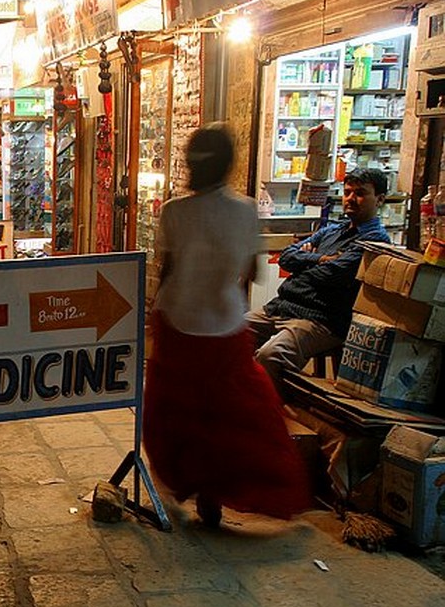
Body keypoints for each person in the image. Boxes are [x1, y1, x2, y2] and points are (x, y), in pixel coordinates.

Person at [143, 123, 310, 527]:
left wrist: (153, 315)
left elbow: (168, 272)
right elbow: (250, 272)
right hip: (226, 323)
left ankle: (194, 485)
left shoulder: (174, 211)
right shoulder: (246, 210)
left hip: (180, 321)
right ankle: (218, 490)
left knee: (179, 413)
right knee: (229, 416)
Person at [246, 167, 392, 396]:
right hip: (281, 307)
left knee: (271, 355)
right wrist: (321, 258)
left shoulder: (375, 239)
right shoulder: (332, 231)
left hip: (319, 319)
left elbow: (334, 274)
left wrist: (305, 261)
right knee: (226, 338)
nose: (351, 199)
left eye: (360, 193)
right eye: (348, 192)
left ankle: (270, 415)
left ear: (380, 199)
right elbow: (286, 257)